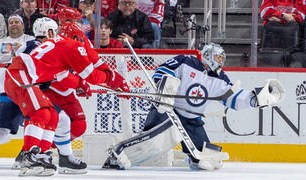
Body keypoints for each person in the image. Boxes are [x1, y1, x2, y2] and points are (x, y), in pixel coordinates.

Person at [102, 43, 285, 171]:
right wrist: (168, 86)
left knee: (204, 157)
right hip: (167, 110)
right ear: (207, 54)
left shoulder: (220, 79)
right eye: (217, 56)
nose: (220, 60)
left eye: (222, 58)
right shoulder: (185, 61)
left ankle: (192, 155)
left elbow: (232, 98)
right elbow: (162, 72)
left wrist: (255, 99)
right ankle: (117, 155)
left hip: (191, 119)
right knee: (152, 140)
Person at [4, 22, 130, 176]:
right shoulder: (73, 46)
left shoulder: (57, 44)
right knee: (42, 113)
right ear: (77, 37)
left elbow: (64, 77)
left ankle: (42, 155)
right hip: (21, 76)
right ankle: (28, 156)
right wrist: (114, 78)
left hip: (22, 76)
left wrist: (81, 84)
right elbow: (93, 76)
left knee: (53, 116)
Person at [12, 17, 88, 174]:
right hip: (25, 86)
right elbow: (54, 73)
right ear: (50, 31)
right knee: (44, 116)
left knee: (58, 118)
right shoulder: (42, 46)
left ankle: (44, 154)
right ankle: (30, 155)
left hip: (25, 85)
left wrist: (78, 82)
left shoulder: (36, 45)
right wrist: (78, 82)